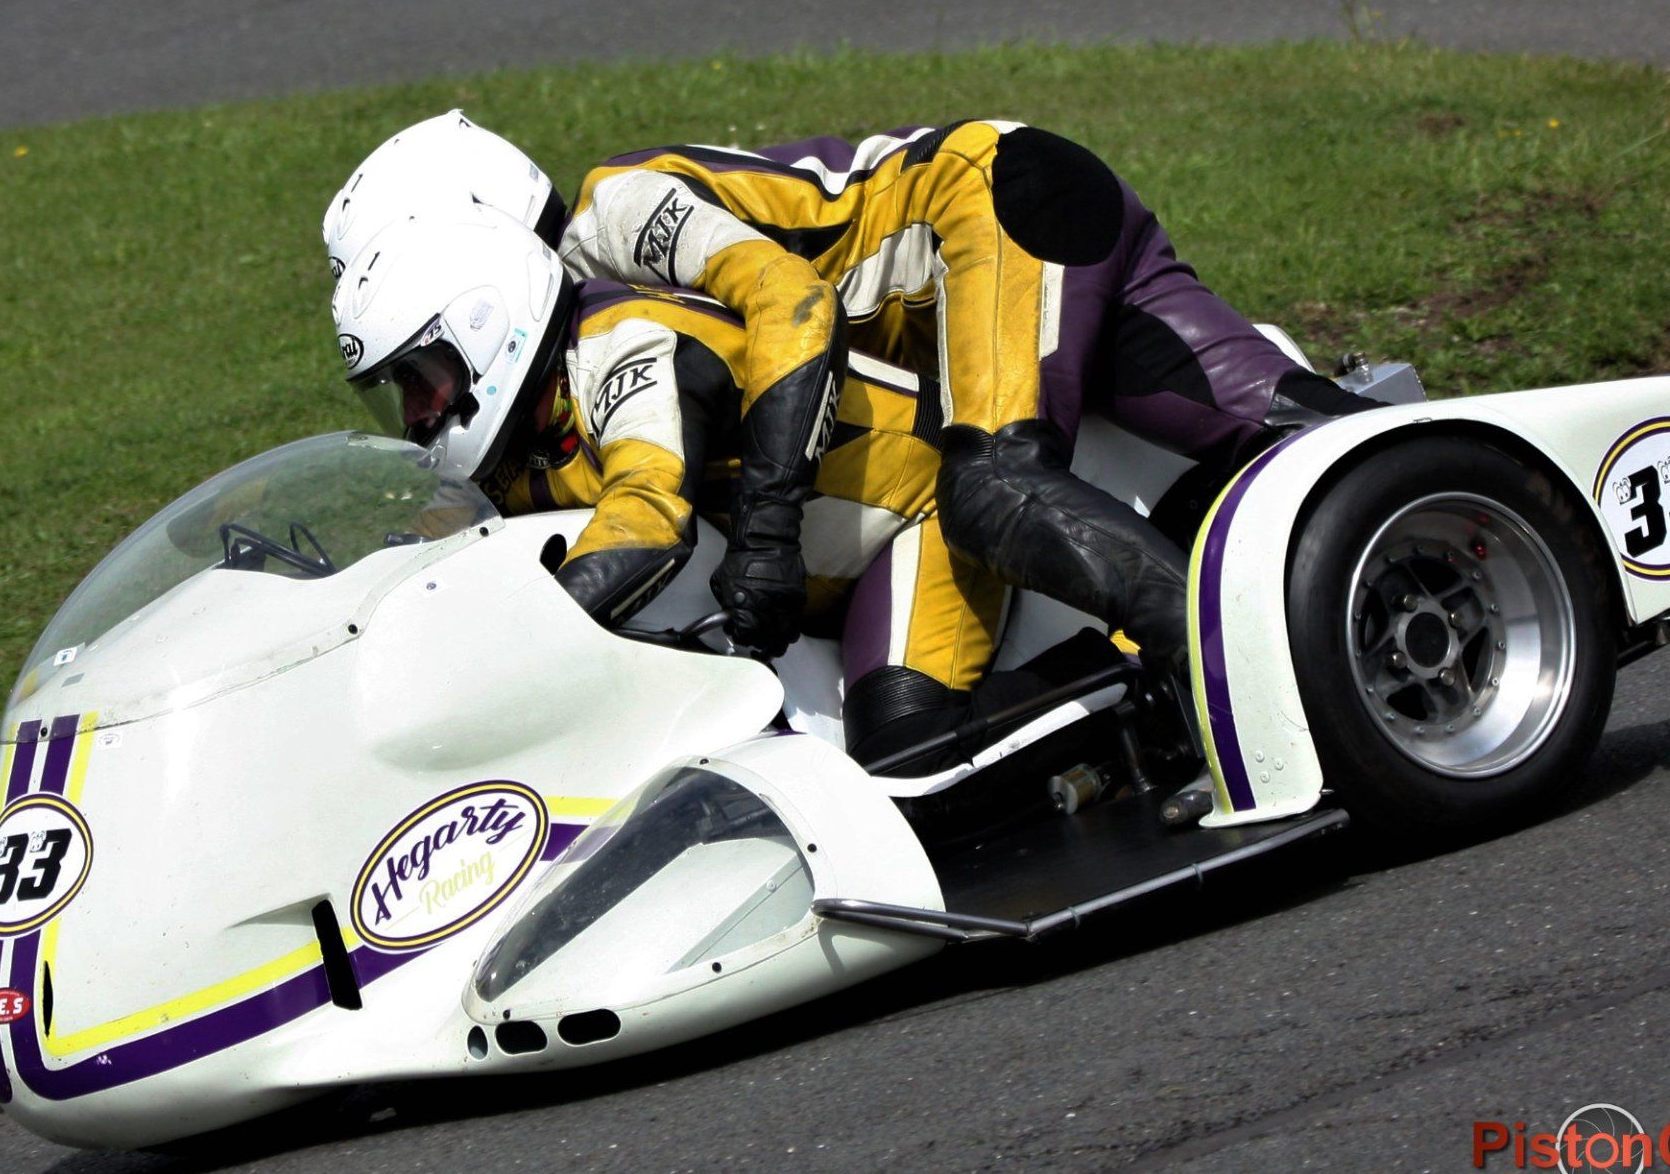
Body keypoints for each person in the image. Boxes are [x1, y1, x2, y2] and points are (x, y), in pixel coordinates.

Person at [324, 111, 1378, 732]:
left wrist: (773, 535)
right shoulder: (575, 331)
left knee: (993, 488)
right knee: (1305, 426)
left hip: (977, 215)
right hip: (988, 240)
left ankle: (1246, 692)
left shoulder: (618, 215)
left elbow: (795, 307)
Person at [331, 205, 1006, 767]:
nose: (417, 413)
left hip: (921, 519)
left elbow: (646, 516)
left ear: (482, 329)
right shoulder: (508, 445)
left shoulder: (621, 348)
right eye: (400, 390)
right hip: (794, 593)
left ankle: (1101, 693)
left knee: (900, 751)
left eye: (422, 377)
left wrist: (515, 652)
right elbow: (430, 556)